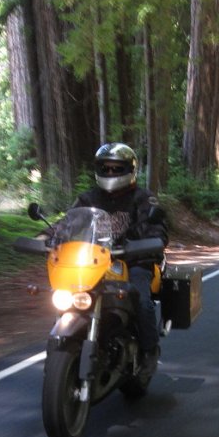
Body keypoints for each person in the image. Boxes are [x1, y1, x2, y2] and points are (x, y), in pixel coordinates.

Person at [72, 142, 167, 376]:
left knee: (141, 300)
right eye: (106, 168)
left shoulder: (143, 198)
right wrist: (48, 235)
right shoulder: (88, 198)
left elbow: (159, 230)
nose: (111, 173)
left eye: (117, 168)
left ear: (130, 169)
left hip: (134, 261)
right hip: (94, 262)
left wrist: (146, 242)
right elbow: (69, 223)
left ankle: (148, 351)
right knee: (68, 296)